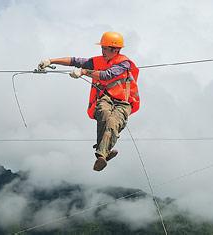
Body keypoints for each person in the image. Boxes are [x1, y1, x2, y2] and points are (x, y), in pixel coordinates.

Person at [38, 31, 140, 171]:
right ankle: (103, 154)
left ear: (115, 49)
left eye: (105, 48)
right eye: (102, 48)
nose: (102, 51)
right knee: (102, 112)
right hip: (106, 98)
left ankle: (102, 154)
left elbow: (107, 75)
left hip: (124, 102)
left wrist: (84, 72)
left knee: (113, 122)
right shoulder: (97, 61)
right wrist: (51, 61)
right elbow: (75, 61)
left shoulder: (124, 63)